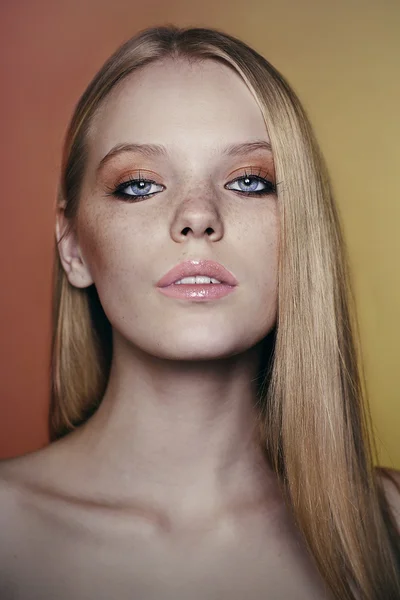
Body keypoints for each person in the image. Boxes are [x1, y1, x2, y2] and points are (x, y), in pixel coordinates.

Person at [0, 24, 399, 600]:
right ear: (73, 247)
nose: (197, 216)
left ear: (302, 233)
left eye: (249, 181)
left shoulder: (389, 529)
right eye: (139, 185)